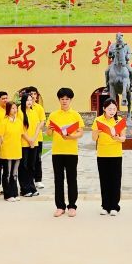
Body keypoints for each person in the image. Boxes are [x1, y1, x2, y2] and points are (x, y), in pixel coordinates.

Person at [47, 87, 82, 217]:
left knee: (72, 179)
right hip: (57, 152)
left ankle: (72, 206)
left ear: (70, 100)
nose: (64, 101)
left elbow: (80, 132)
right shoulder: (53, 115)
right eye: (62, 99)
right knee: (58, 179)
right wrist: (50, 129)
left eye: (67, 99)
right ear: (59, 100)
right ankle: (60, 206)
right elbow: (48, 133)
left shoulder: (75, 115)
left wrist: (71, 137)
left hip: (71, 152)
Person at [92, 99, 124, 215]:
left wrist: (118, 138)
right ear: (104, 109)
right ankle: (105, 206)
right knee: (104, 180)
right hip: (102, 154)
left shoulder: (119, 121)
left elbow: (123, 138)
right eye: (110, 109)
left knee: (115, 181)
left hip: (116, 154)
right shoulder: (98, 120)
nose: (112, 111)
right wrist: (97, 132)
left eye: (114, 109)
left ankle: (115, 206)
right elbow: (94, 139)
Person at [0, 100, 23, 202]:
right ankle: (8, 195)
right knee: (7, 174)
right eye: (12, 108)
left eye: (16, 108)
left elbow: (20, 135)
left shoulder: (19, 122)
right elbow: (0, 137)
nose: (15, 110)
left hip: (17, 150)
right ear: (8, 109)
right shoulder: (4, 122)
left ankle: (15, 193)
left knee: (14, 173)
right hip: (7, 151)